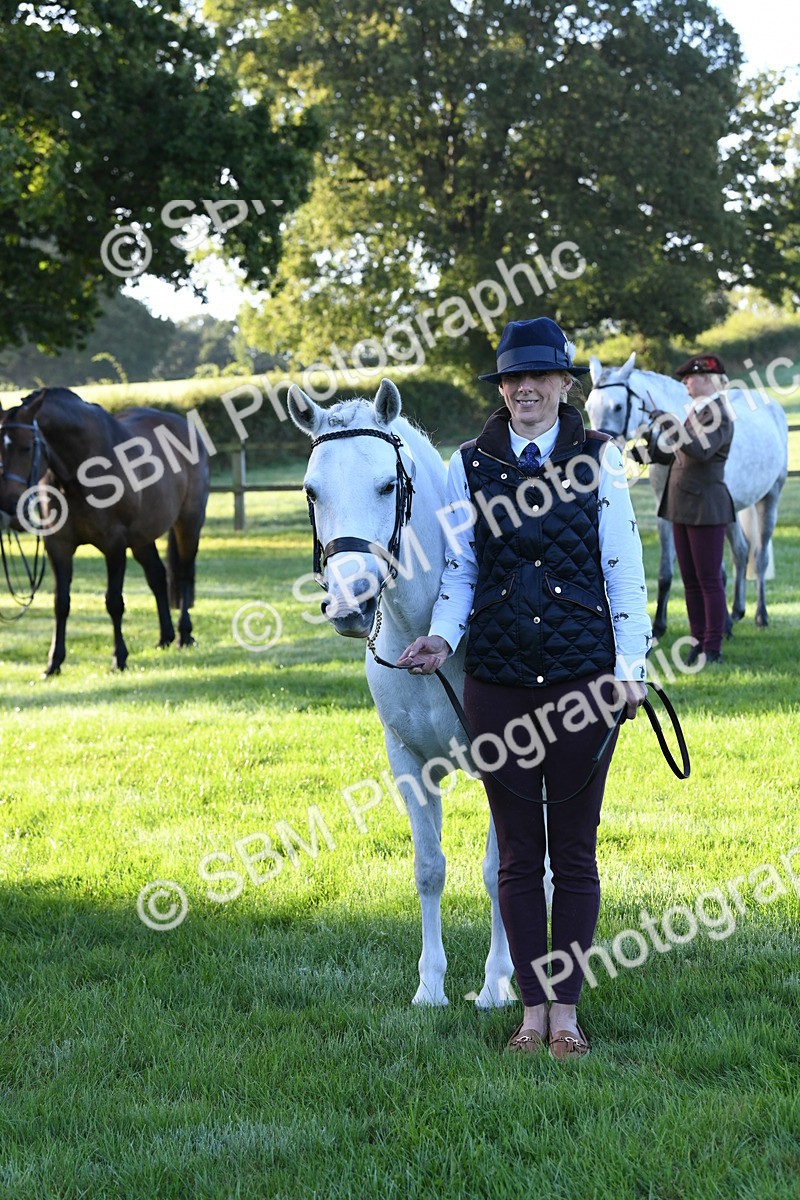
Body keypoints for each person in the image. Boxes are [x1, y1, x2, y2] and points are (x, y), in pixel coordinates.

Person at [397, 317, 651, 1059]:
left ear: (565, 385)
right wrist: (443, 635)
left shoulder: (601, 460)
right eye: (513, 378)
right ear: (501, 388)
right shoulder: (466, 464)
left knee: (572, 851)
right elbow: (460, 572)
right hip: (499, 684)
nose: (526, 389)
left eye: (540, 377)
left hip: (582, 682)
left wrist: (630, 670)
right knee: (515, 852)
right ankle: (529, 1009)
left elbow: (623, 569)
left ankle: (565, 1013)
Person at [647, 353, 735, 666]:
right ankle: (697, 642)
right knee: (691, 581)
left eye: (690, 377)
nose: (684, 381)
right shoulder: (696, 412)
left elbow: (700, 451)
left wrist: (669, 422)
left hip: (706, 506)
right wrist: (649, 449)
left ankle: (712, 648)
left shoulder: (718, 413)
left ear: (708, 379)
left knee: (708, 579)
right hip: (682, 505)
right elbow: (675, 454)